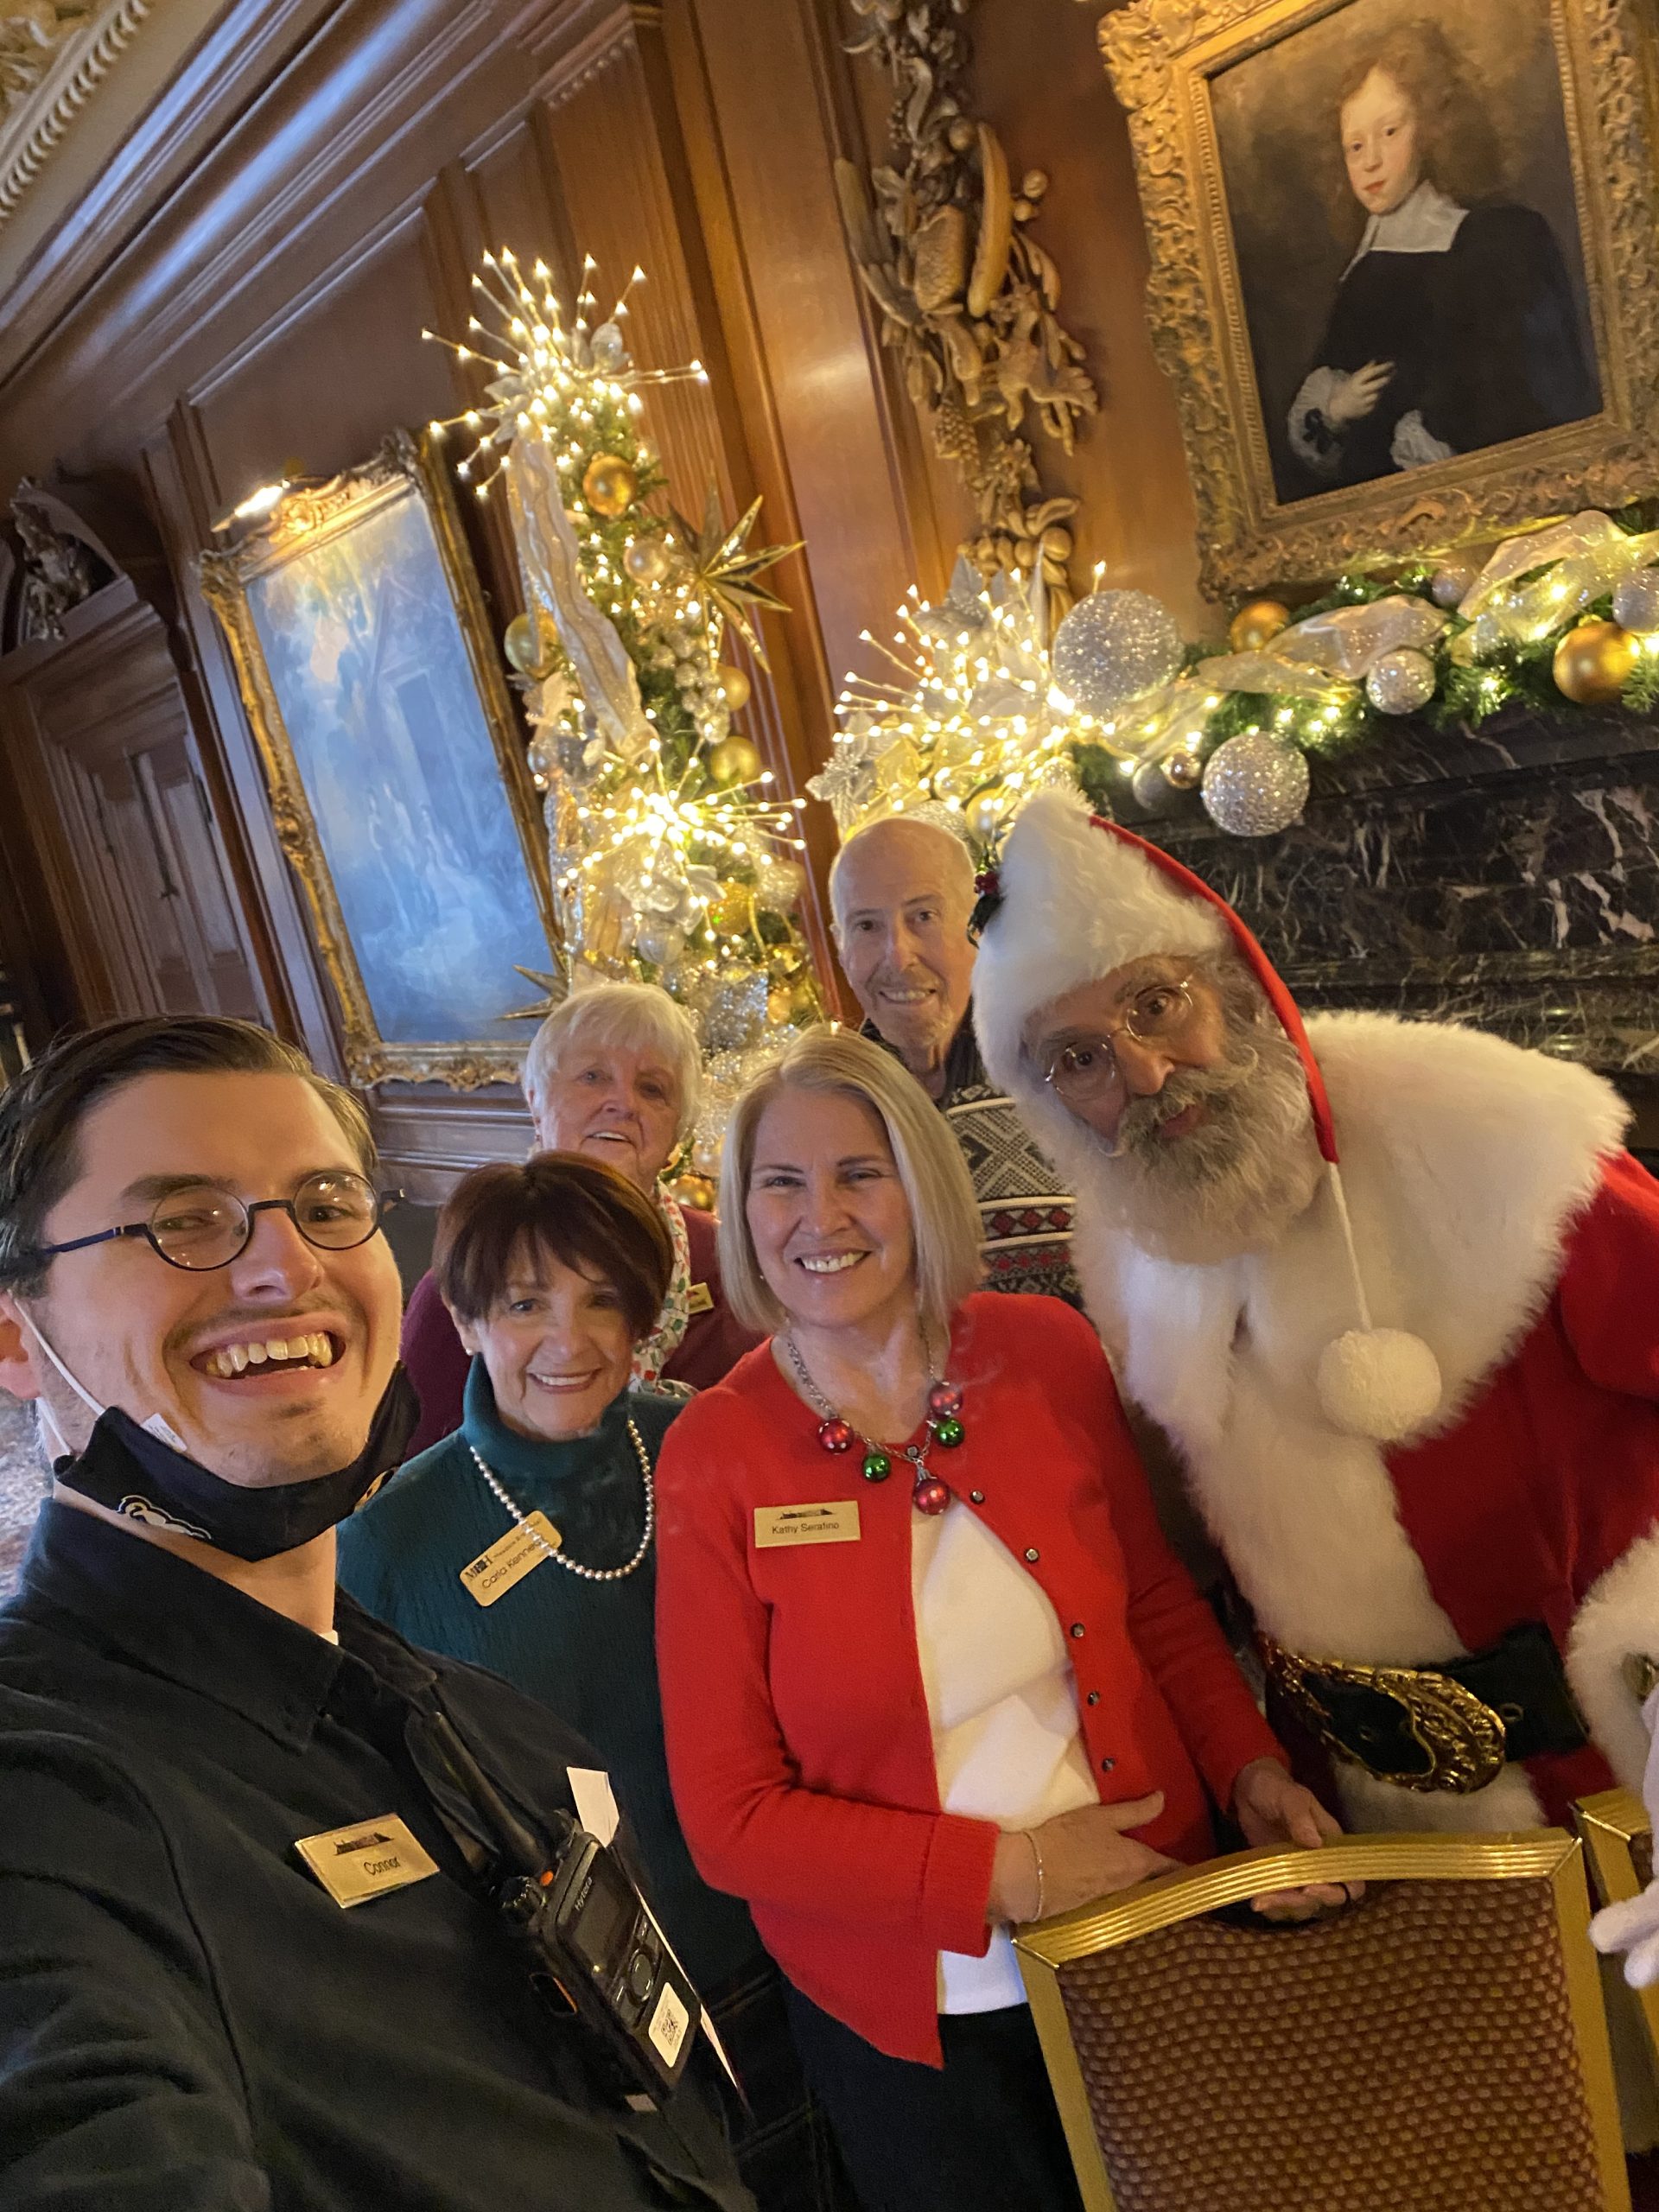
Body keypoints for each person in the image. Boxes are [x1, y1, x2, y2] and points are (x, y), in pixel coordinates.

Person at [0, 1015, 749, 2211]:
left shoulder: (476, 1723)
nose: (280, 1266)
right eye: (185, 1221)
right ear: (16, 1335)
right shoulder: (48, 1801)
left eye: (326, 1204)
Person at [653, 1026, 1342, 2212]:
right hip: (916, 2013)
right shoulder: (715, 1452)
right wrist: (1003, 1871)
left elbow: (1158, 1607)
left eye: (859, 1172)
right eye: (781, 1182)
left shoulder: (1044, 1350)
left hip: (1149, 1926)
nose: (822, 1215)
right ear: (744, 1210)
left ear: (920, 1181)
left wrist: (1248, 1772)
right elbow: (730, 1820)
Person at [971, 784, 1659, 1839]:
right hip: (1367, 1826)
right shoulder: (1128, 1249)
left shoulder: (1500, 1144)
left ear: (1232, 987)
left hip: (1623, 1789)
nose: (1144, 1073)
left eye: (1156, 1003)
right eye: (1079, 1058)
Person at [336, 1152, 848, 2212]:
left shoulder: (708, 1443)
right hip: (590, 2021)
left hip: (796, 1961)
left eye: (603, 1299)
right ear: (468, 1322)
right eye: (526, 1303)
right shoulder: (387, 1546)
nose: (571, 1340)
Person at [401, 982, 759, 1452]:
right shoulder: (472, 1275)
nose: (624, 1103)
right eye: (593, 1076)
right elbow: (424, 1476)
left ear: (678, 1131)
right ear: (535, 1101)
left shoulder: (729, 1265)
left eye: (652, 1089)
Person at [1284, 21, 1597, 495]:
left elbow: (1529, 390)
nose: (1370, 161)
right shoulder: (1362, 271)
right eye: (1355, 145)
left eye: (1389, 131)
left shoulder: (1500, 239)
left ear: (1431, 128)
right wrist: (1335, 409)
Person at [830, 813, 1079, 1304]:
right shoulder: (828, 1109)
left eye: (923, 917)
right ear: (840, 946)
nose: (897, 956)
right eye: (866, 925)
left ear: (980, 925)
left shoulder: (1062, 1067)